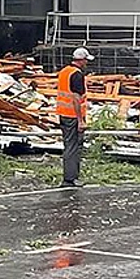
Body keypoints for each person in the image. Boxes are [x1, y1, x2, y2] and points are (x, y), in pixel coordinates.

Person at [57, 47, 93, 187]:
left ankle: (70, 176)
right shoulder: (77, 75)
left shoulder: (64, 72)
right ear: (82, 60)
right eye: (86, 60)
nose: (86, 63)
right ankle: (70, 178)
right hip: (72, 116)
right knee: (73, 147)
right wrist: (80, 121)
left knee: (68, 145)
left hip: (64, 114)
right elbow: (76, 99)